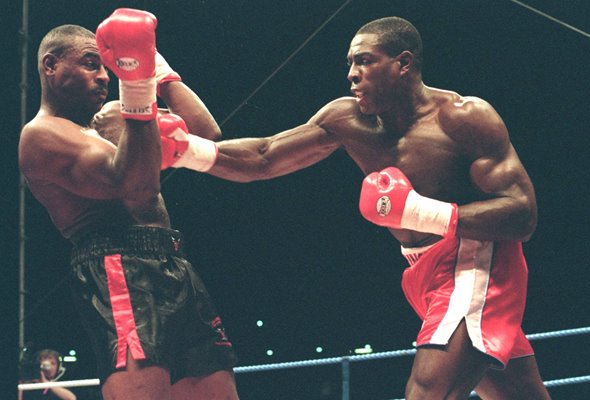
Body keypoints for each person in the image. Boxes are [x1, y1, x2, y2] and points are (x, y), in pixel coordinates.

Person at [163, 16, 551, 399]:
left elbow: (521, 214)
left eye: (364, 60)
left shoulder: (462, 118)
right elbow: (265, 156)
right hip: (421, 271)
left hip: (476, 261)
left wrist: (419, 211)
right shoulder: (346, 119)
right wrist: (185, 151)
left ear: (403, 63)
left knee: (428, 391)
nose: (352, 73)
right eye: (350, 62)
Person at [18, 8, 238, 400]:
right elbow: (133, 187)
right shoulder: (41, 135)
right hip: (118, 265)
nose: (104, 76)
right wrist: (136, 88)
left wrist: (157, 71)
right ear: (50, 66)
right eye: (90, 64)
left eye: (106, 67)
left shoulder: (111, 124)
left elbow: (206, 134)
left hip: (173, 261)